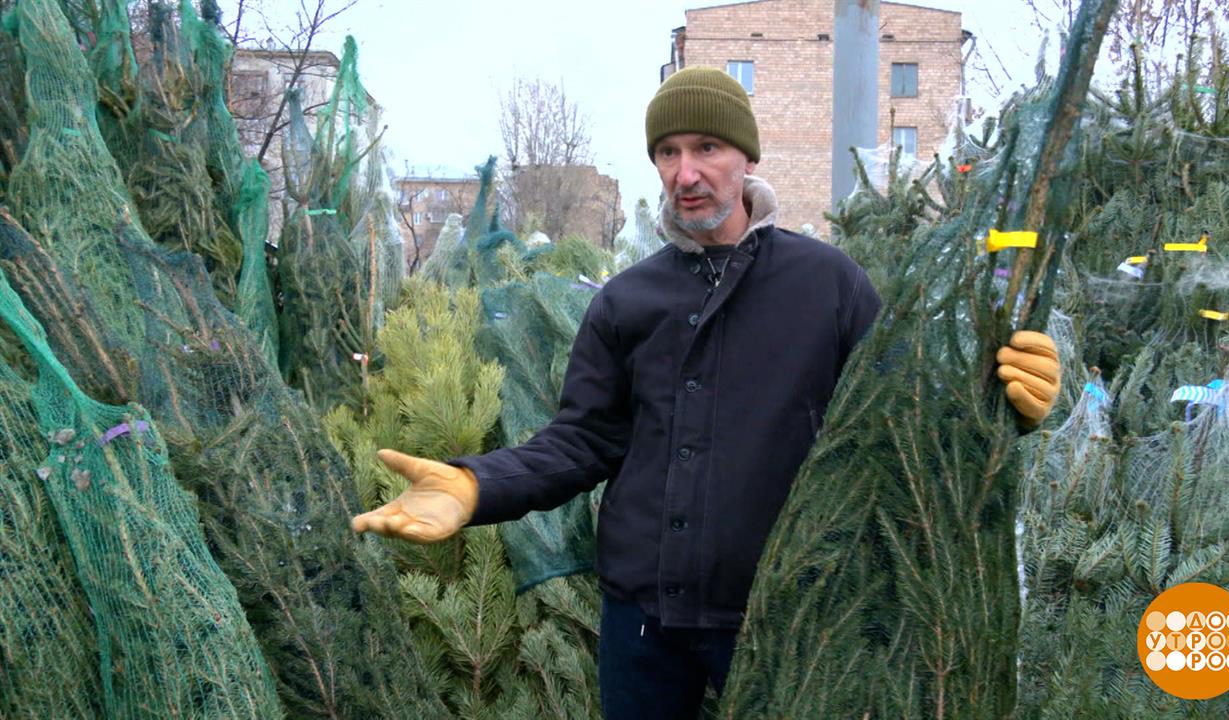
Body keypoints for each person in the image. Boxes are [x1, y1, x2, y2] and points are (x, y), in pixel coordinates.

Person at [352, 67, 1062, 719]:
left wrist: (1005, 410)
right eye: (667, 152)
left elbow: (901, 425)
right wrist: (476, 486)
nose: (685, 173)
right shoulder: (628, 299)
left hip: (782, 610)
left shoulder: (827, 285)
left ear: (747, 157)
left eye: (707, 148)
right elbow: (583, 438)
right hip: (641, 620)